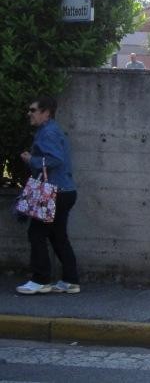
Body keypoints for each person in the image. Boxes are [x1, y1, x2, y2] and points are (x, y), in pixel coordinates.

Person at [16, 96, 81, 295]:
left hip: (54, 192)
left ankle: (40, 280)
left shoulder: (48, 132)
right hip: (65, 191)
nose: (30, 113)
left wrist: (31, 160)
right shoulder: (51, 130)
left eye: (33, 110)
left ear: (46, 112)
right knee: (58, 236)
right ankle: (70, 280)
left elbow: (54, 159)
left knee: (36, 234)